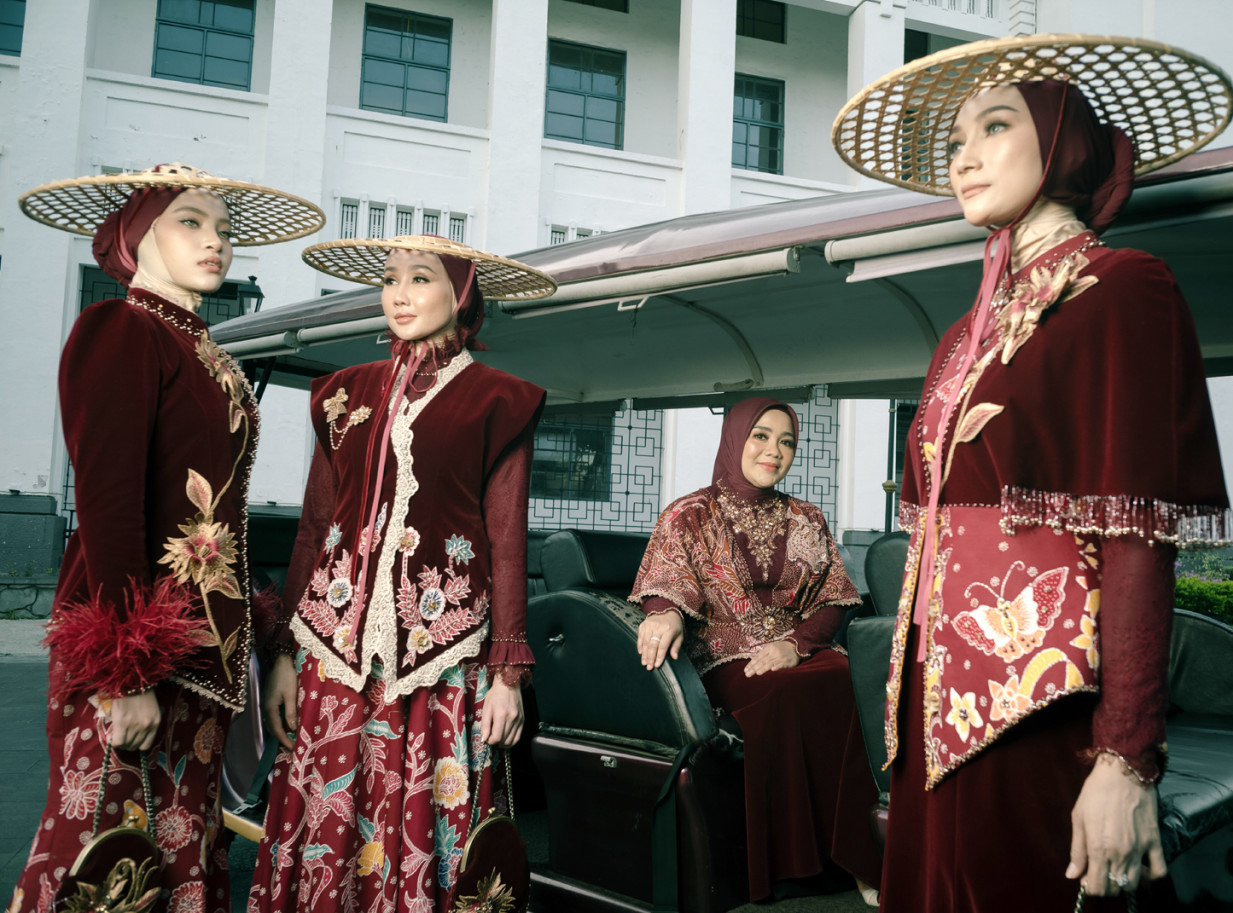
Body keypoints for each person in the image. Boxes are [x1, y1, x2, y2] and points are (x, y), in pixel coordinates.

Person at [830, 35, 1233, 911]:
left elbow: (1136, 536)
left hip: (1035, 711)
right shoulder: (958, 338)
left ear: (1062, 141)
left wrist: (1127, 756)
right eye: (953, 143)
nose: (964, 157)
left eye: (995, 126)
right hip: (926, 717)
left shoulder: (1123, 287)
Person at [8, 163, 324, 913]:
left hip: (202, 661)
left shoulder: (205, 351)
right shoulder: (119, 329)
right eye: (191, 222)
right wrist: (125, 669)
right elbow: (107, 504)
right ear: (136, 233)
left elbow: (223, 527)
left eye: (225, 230)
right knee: (100, 856)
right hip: (135, 658)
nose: (216, 241)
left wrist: (273, 646)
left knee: (183, 854)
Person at [248, 234, 555, 913]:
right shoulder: (341, 394)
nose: (401, 293)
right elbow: (313, 529)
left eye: (422, 278)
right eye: (391, 279)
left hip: (439, 661)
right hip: (333, 659)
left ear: (461, 294)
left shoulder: (498, 399)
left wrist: (508, 677)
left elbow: (506, 539)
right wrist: (281, 656)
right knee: (327, 823)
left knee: (428, 828)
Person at [630, 396, 883, 905]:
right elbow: (666, 584)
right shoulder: (689, 515)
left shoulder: (806, 518)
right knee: (785, 693)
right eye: (761, 436)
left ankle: (864, 855)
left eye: (786, 441)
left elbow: (835, 600)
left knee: (852, 682)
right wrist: (666, 612)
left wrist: (795, 644)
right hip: (726, 658)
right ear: (734, 438)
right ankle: (795, 864)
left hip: (802, 652)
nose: (774, 451)